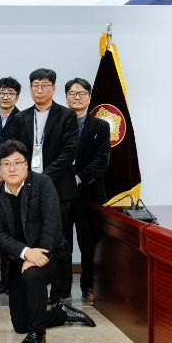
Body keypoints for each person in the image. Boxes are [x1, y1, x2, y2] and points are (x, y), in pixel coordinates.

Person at [0, 140, 95, 343]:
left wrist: (39, 255)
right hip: (20, 259)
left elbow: (52, 223)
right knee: (20, 325)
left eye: (17, 162)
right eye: (6, 164)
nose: (12, 168)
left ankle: (38, 334)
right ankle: (61, 313)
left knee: (32, 274)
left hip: (52, 255)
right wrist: (27, 253)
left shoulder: (42, 183)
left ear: (27, 164)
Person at [13, 68, 79, 302]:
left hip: (59, 187)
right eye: (35, 86)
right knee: (32, 237)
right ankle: (33, 287)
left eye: (44, 86)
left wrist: (43, 177)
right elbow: (16, 150)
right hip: (28, 187)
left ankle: (62, 291)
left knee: (61, 240)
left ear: (53, 88)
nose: (39, 90)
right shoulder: (21, 118)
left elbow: (69, 151)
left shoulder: (66, 116)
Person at [65, 78, 111, 305]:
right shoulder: (59, 123)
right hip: (62, 193)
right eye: (73, 93)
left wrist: (78, 177)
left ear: (89, 97)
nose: (77, 97)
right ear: (66, 97)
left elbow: (102, 161)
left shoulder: (100, 126)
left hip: (89, 193)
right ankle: (62, 288)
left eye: (82, 93)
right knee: (62, 242)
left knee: (88, 243)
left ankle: (88, 286)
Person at [0, 76, 22, 295]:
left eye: (10, 93)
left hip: (15, 181)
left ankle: (17, 278)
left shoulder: (22, 119)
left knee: (16, 231)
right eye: (2, 92)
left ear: (17, 97)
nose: (5, 96)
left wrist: (7, 172)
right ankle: (3, 278)